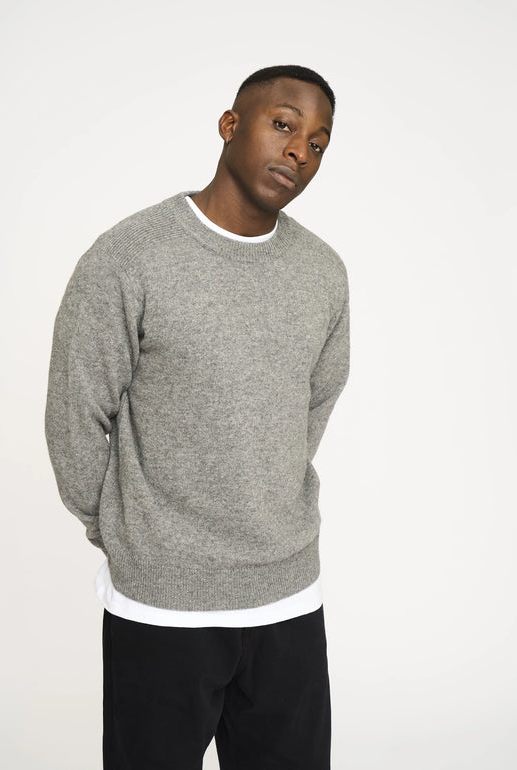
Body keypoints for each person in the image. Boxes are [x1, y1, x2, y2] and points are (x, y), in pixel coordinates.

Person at [45, 63, 350, 769]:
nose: (298, 151)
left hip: (287, 599)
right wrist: (129, 534)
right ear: (230, 125)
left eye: (317, 142)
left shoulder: (322, 272)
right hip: (161, 606)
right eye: (283, 124)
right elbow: (74, 414)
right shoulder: (130, 257)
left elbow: (310, 407)